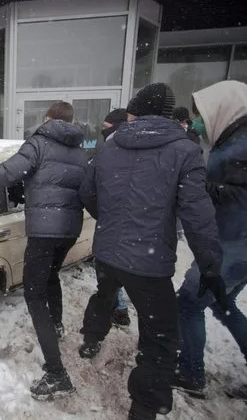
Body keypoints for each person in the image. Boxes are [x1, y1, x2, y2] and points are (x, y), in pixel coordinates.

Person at [77, 83, 224, 420]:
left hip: (108, 251)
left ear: (134, 111)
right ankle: (144, 408)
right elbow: (197, 214)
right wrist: (210, 266)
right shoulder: (185, 151)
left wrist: (110, 219)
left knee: (104, 293)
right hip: (148, 261)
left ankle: (90, 339)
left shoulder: (110, 147)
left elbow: (86, 191)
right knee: (159, 339)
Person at [0, 101, 87, 400]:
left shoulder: (38, 142)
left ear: (48, 118)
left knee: (34, 295)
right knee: (51, 276)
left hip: (44, 230)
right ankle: (57, 324)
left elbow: (7, 174)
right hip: (69, 229)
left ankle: (56, 373)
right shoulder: (79, 150)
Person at [173, 80, 247, 400]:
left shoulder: (240, 145)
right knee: (223, 304)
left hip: (232, 246)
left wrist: (202, 186)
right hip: (233, 243)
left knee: (188, 304)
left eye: (200, 113)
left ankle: (191, 373)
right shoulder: (232, 140)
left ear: (222, 109)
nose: (197, 120)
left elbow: (240, 198)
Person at [101, 108, 132, 327]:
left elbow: (90, 190)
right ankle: (119, 310)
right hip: (135, 225)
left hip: (117, 223)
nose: (103, 132)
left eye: (106, 127)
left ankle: (118, 310)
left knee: (111, 272)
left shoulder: (112, 151)